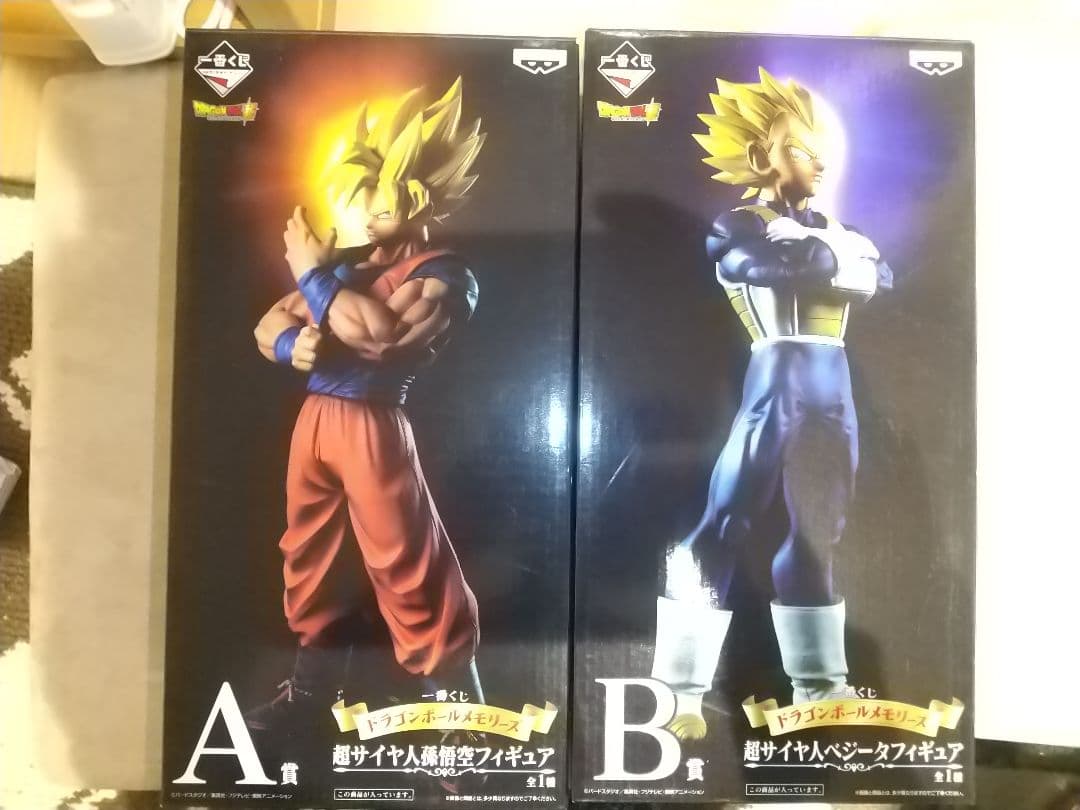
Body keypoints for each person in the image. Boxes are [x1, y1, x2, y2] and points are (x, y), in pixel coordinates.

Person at [650, 67, 893, 740]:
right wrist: (837, 261)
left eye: (820, 148)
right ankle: (679, 693)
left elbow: (878, 274)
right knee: (726, 519)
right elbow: (761, 265)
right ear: (763, 156)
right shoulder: (739, 223)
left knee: (819, 534)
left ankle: (821, 685)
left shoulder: (837, 228)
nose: (819, 161)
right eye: (800, 147)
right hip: (775, 377)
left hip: (833, 385)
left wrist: (828, 256)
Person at [247, 78, 485, 735]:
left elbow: (382, 338)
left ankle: (460, 722)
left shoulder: (443, 275)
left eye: (379, 202)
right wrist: (293, 342)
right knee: (309, 561)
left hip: (372, 422)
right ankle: (308, 696)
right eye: (364, 200)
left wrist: (311, 275)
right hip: (316, 421)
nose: (367, 214)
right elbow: (268, 324)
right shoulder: (348, 265)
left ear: (418, 197)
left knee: (408, 566)